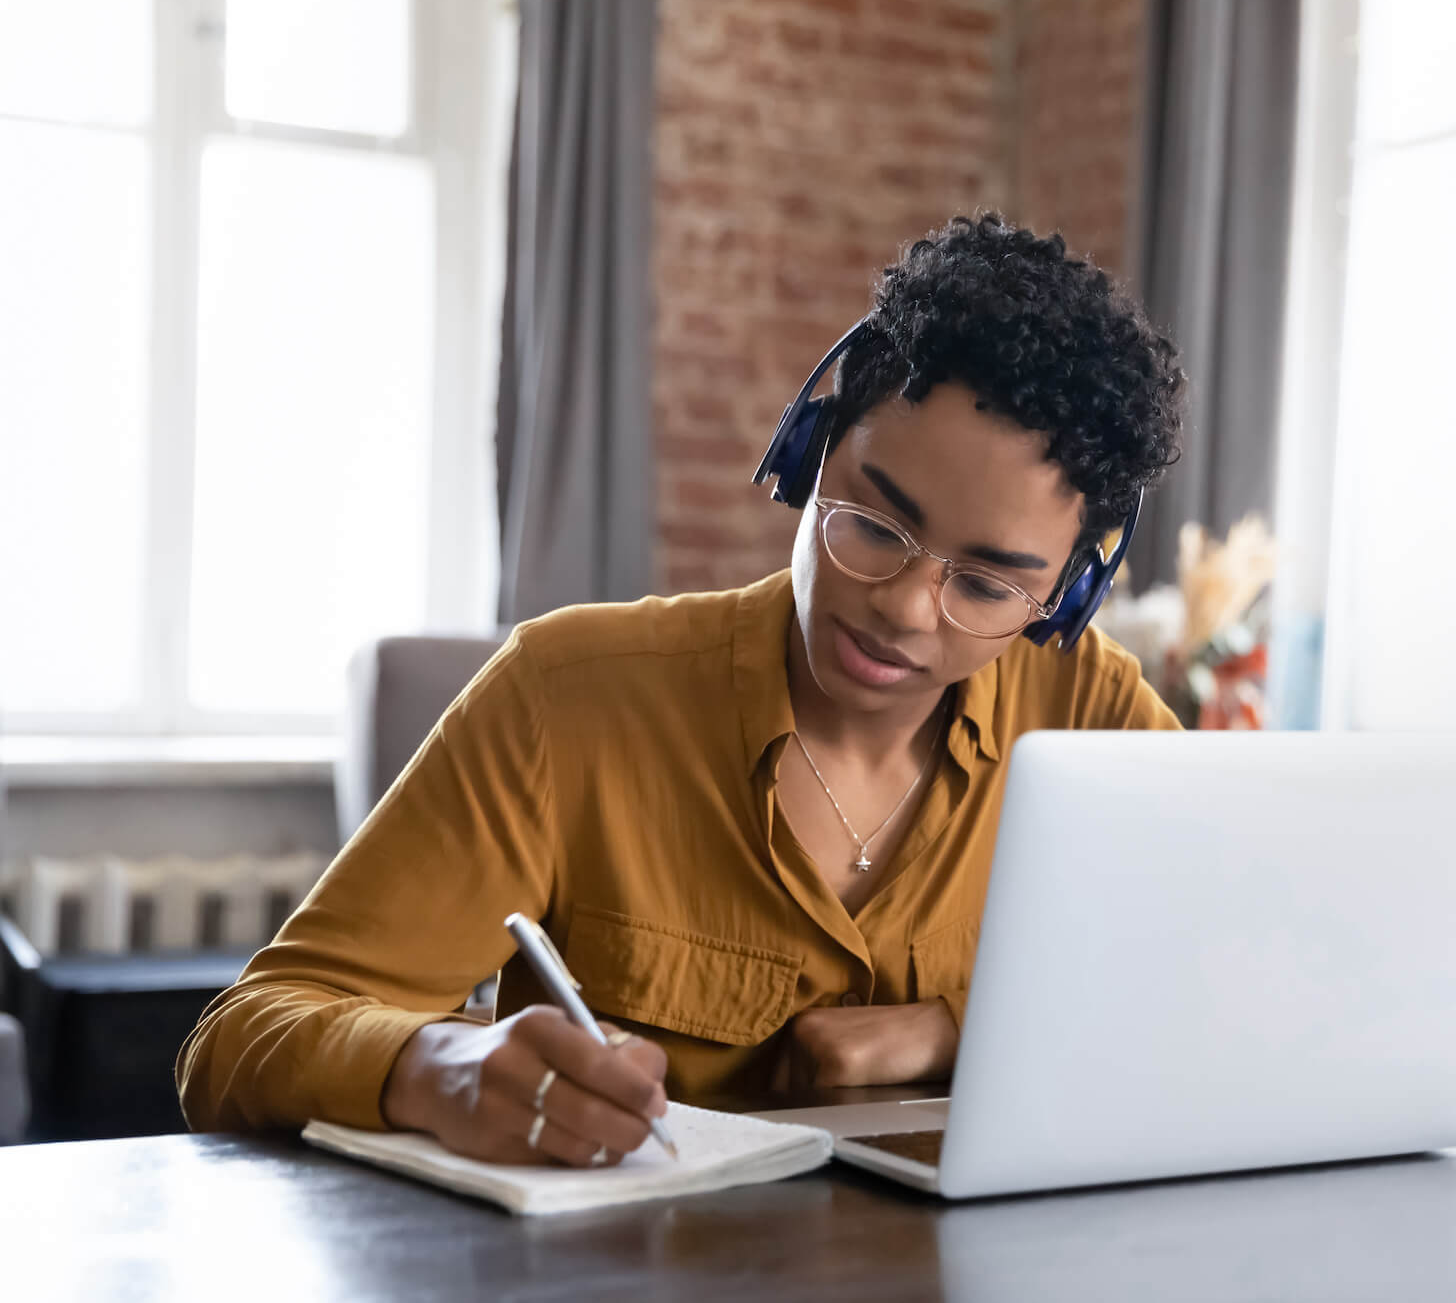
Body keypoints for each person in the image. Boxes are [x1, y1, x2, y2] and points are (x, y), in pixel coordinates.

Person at [176, 213, 1187, 1169]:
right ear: (808, 453)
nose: (909, 612)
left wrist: (957, 1028)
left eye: (984, 584)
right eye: (874, 527)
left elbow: (1218, 992)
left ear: (1065, 594)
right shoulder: (566, 698)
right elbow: (240, 1040)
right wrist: (445, 1067)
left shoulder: (1091, 718)